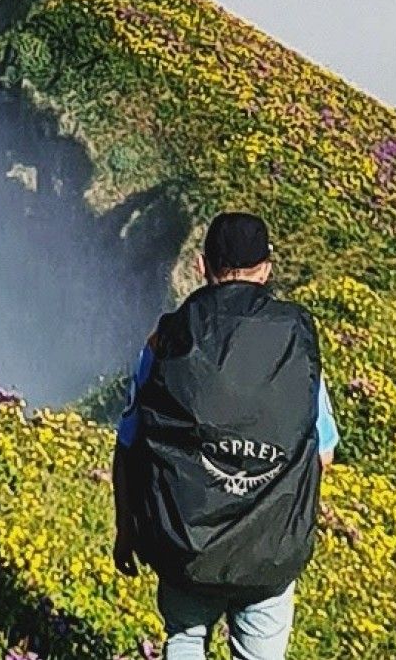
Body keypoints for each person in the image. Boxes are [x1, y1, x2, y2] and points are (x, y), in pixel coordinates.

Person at [111, 210, 336, 660]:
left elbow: (130, 442)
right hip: (270, 553)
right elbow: (323, 454)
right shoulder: (296, 340)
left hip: (185, 545)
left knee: (186, 642)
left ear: (202, 265)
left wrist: (127, 528)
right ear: (267, 268)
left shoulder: (166, 338)